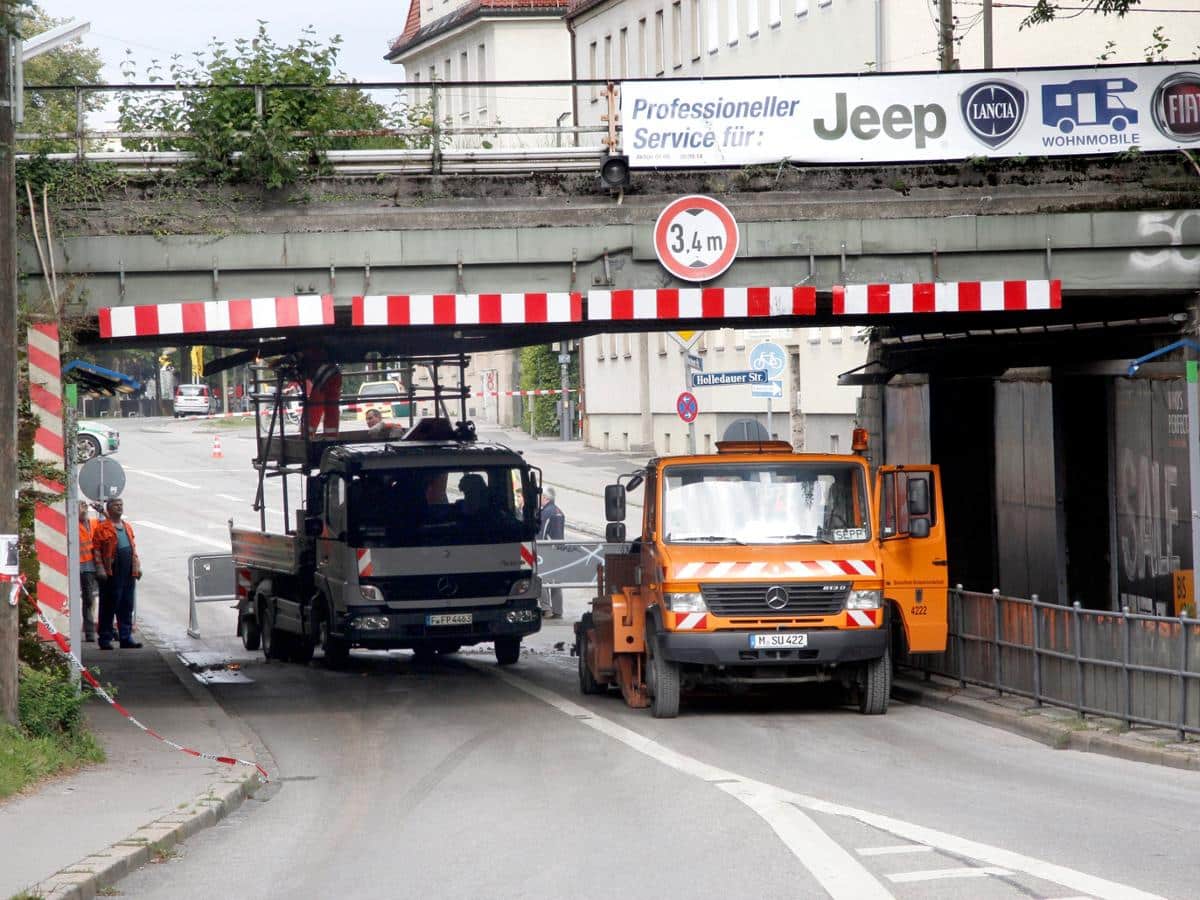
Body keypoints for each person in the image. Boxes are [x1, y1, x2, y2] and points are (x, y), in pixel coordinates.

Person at [93, 498, 143, 650]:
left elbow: (133, 549)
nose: (120, 507)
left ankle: (125, 637)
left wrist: (137, 567)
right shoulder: (103, 528)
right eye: (116, 505)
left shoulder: (126, 527)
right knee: (109, 605)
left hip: (128, 570)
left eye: (121, 505)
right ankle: (105, 638)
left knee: (126, 604)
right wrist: (100, 568)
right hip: (112, 571)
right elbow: (96, 550)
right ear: (109, 509)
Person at [538, 487, 566, 619]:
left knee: (541, 578)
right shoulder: (559, 511)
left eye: (541, 497)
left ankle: (546, 608)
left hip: (546, 549)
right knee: (555, 581)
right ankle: (558, 610)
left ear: (546, 498)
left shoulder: (546, 513)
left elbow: (541, 533)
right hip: (558, 550)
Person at [77, 504, 98, 642]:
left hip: (98, 565)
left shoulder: (94, 523)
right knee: (88, 599)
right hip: (84, 566)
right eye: (80, 508)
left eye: (84, 507)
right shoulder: (73, 526)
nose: (83, 510)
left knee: (106, 598)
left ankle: (109, 630)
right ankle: (90, 631)